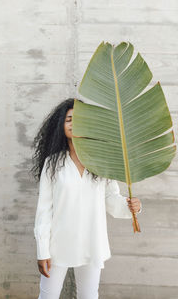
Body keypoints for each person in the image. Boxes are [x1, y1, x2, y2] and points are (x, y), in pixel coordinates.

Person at [31, 98, 142, 299]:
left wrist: (130, 206)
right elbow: (44, 211)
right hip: (58, 244)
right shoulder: (52, 164)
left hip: (92, 241)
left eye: (79, 118)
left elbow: (111, 199)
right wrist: (42, 250)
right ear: (61, 126)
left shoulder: (100, 162)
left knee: (89, 296)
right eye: (69, 119)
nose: (74, 123)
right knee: (47, 296)